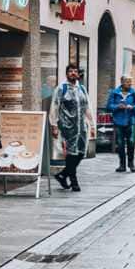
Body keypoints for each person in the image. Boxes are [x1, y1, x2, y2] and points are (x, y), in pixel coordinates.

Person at [48, 63, 89, 192]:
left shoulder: (82, 88)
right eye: (70, 71)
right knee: (71, 154)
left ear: (78, 74)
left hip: (81, 127)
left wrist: (92, 124)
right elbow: (55, 106)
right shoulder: (61, 88)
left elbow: (87, 107)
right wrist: (54, 125)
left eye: (75, 71)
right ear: (67, 74)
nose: (73, 73)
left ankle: (63, 174)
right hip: (68, 127)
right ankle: (74, 182)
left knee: (81, 152)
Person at [108, 75, 135, 173]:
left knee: (131, 142)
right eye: (127, 82)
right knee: (120, 143)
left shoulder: (134, 93)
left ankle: (131, 163)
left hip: (130, 121)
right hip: (119, 121)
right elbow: (109, 106)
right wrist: (117, 106)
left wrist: (133, 107)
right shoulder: (114, 93)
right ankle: (122, 165)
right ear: (122, 82)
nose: (130, 84)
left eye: (130, 82)